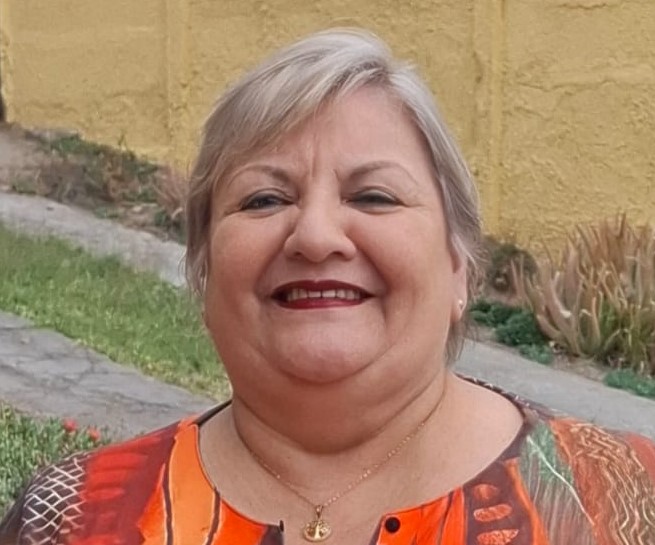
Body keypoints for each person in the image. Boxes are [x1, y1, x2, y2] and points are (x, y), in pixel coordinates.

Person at [1, 28, 654, 545]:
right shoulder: (69, 519)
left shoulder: (623, 501)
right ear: (204, 271)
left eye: (373, 196)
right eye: (263, 199)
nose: (315, 236)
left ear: (458, 266)